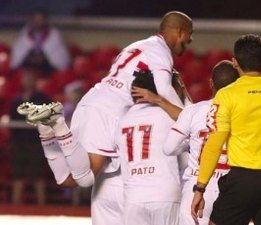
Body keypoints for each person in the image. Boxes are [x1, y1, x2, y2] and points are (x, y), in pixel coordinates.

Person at [17, 11, 193, 225]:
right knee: (85, 178)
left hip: (92, 100)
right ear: (179, 31)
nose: (190, 41)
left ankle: (48, 131)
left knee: (68, 179)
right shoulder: (160, 51)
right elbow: (165, 89)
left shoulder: (137, 46)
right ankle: (59, 125)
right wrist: (189, 120)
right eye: (189, 35)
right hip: (110, 110)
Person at [191, 34, 261, 225]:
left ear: (235, 62)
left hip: (242, 182)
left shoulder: (226, 95)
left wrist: (200, 188)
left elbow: (214, 144)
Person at [164, 60, 238, 225]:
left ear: (211, 83)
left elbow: (169, 148)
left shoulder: (193, 111)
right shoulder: (245, 114)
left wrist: (190, 143)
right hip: (230, 188)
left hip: (196, 185)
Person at [116, 69, 182, 225]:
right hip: (165, 194)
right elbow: (193, 122)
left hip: (133, 197)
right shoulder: (168, 116)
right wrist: (161, 101)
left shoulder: (121, 120)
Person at [9, 68, 52, 205]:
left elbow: (46, 116)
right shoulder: (17, 100)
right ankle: (15, 205)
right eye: (25, 79)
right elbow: (12, 118)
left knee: (38, 175)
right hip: (20, 143)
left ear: (35, 81)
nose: (27, 81)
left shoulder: (42, 98)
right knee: (18, 175)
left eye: (30, 79)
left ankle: (42, 205)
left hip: (36, 143)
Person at [10, 10, 71, 76]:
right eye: (35, 19)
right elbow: (17, 57)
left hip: (47, 67)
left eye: (40, 20)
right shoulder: (24, 33)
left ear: (45, 21)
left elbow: (59, 59)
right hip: (29, 66)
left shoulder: (54, 34)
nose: (37, 22)